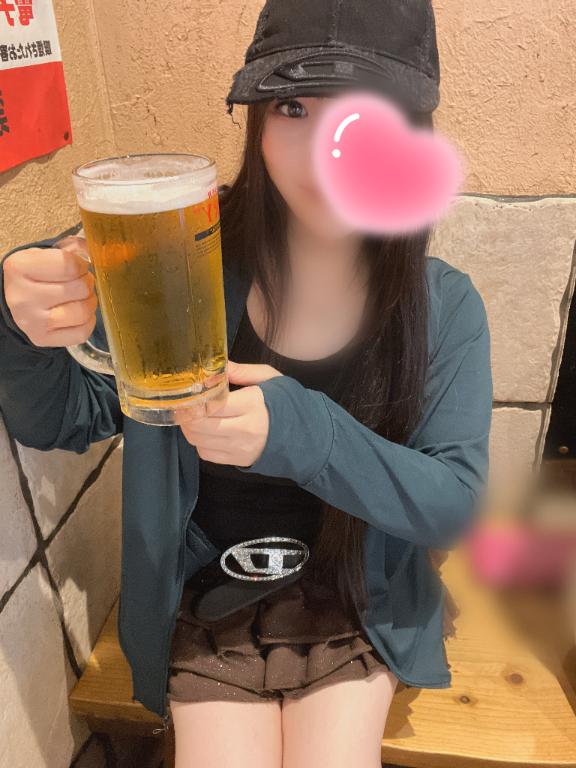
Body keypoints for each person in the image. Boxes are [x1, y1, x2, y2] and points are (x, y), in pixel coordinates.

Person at [0, 1, 493, 766]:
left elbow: (452, 506)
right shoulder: (184, 264)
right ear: (256, 124)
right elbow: (63, 418)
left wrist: (303, 433)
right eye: (293, 108)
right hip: (205, 589)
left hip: (357, 590)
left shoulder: (442, 303)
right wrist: (19, 327)